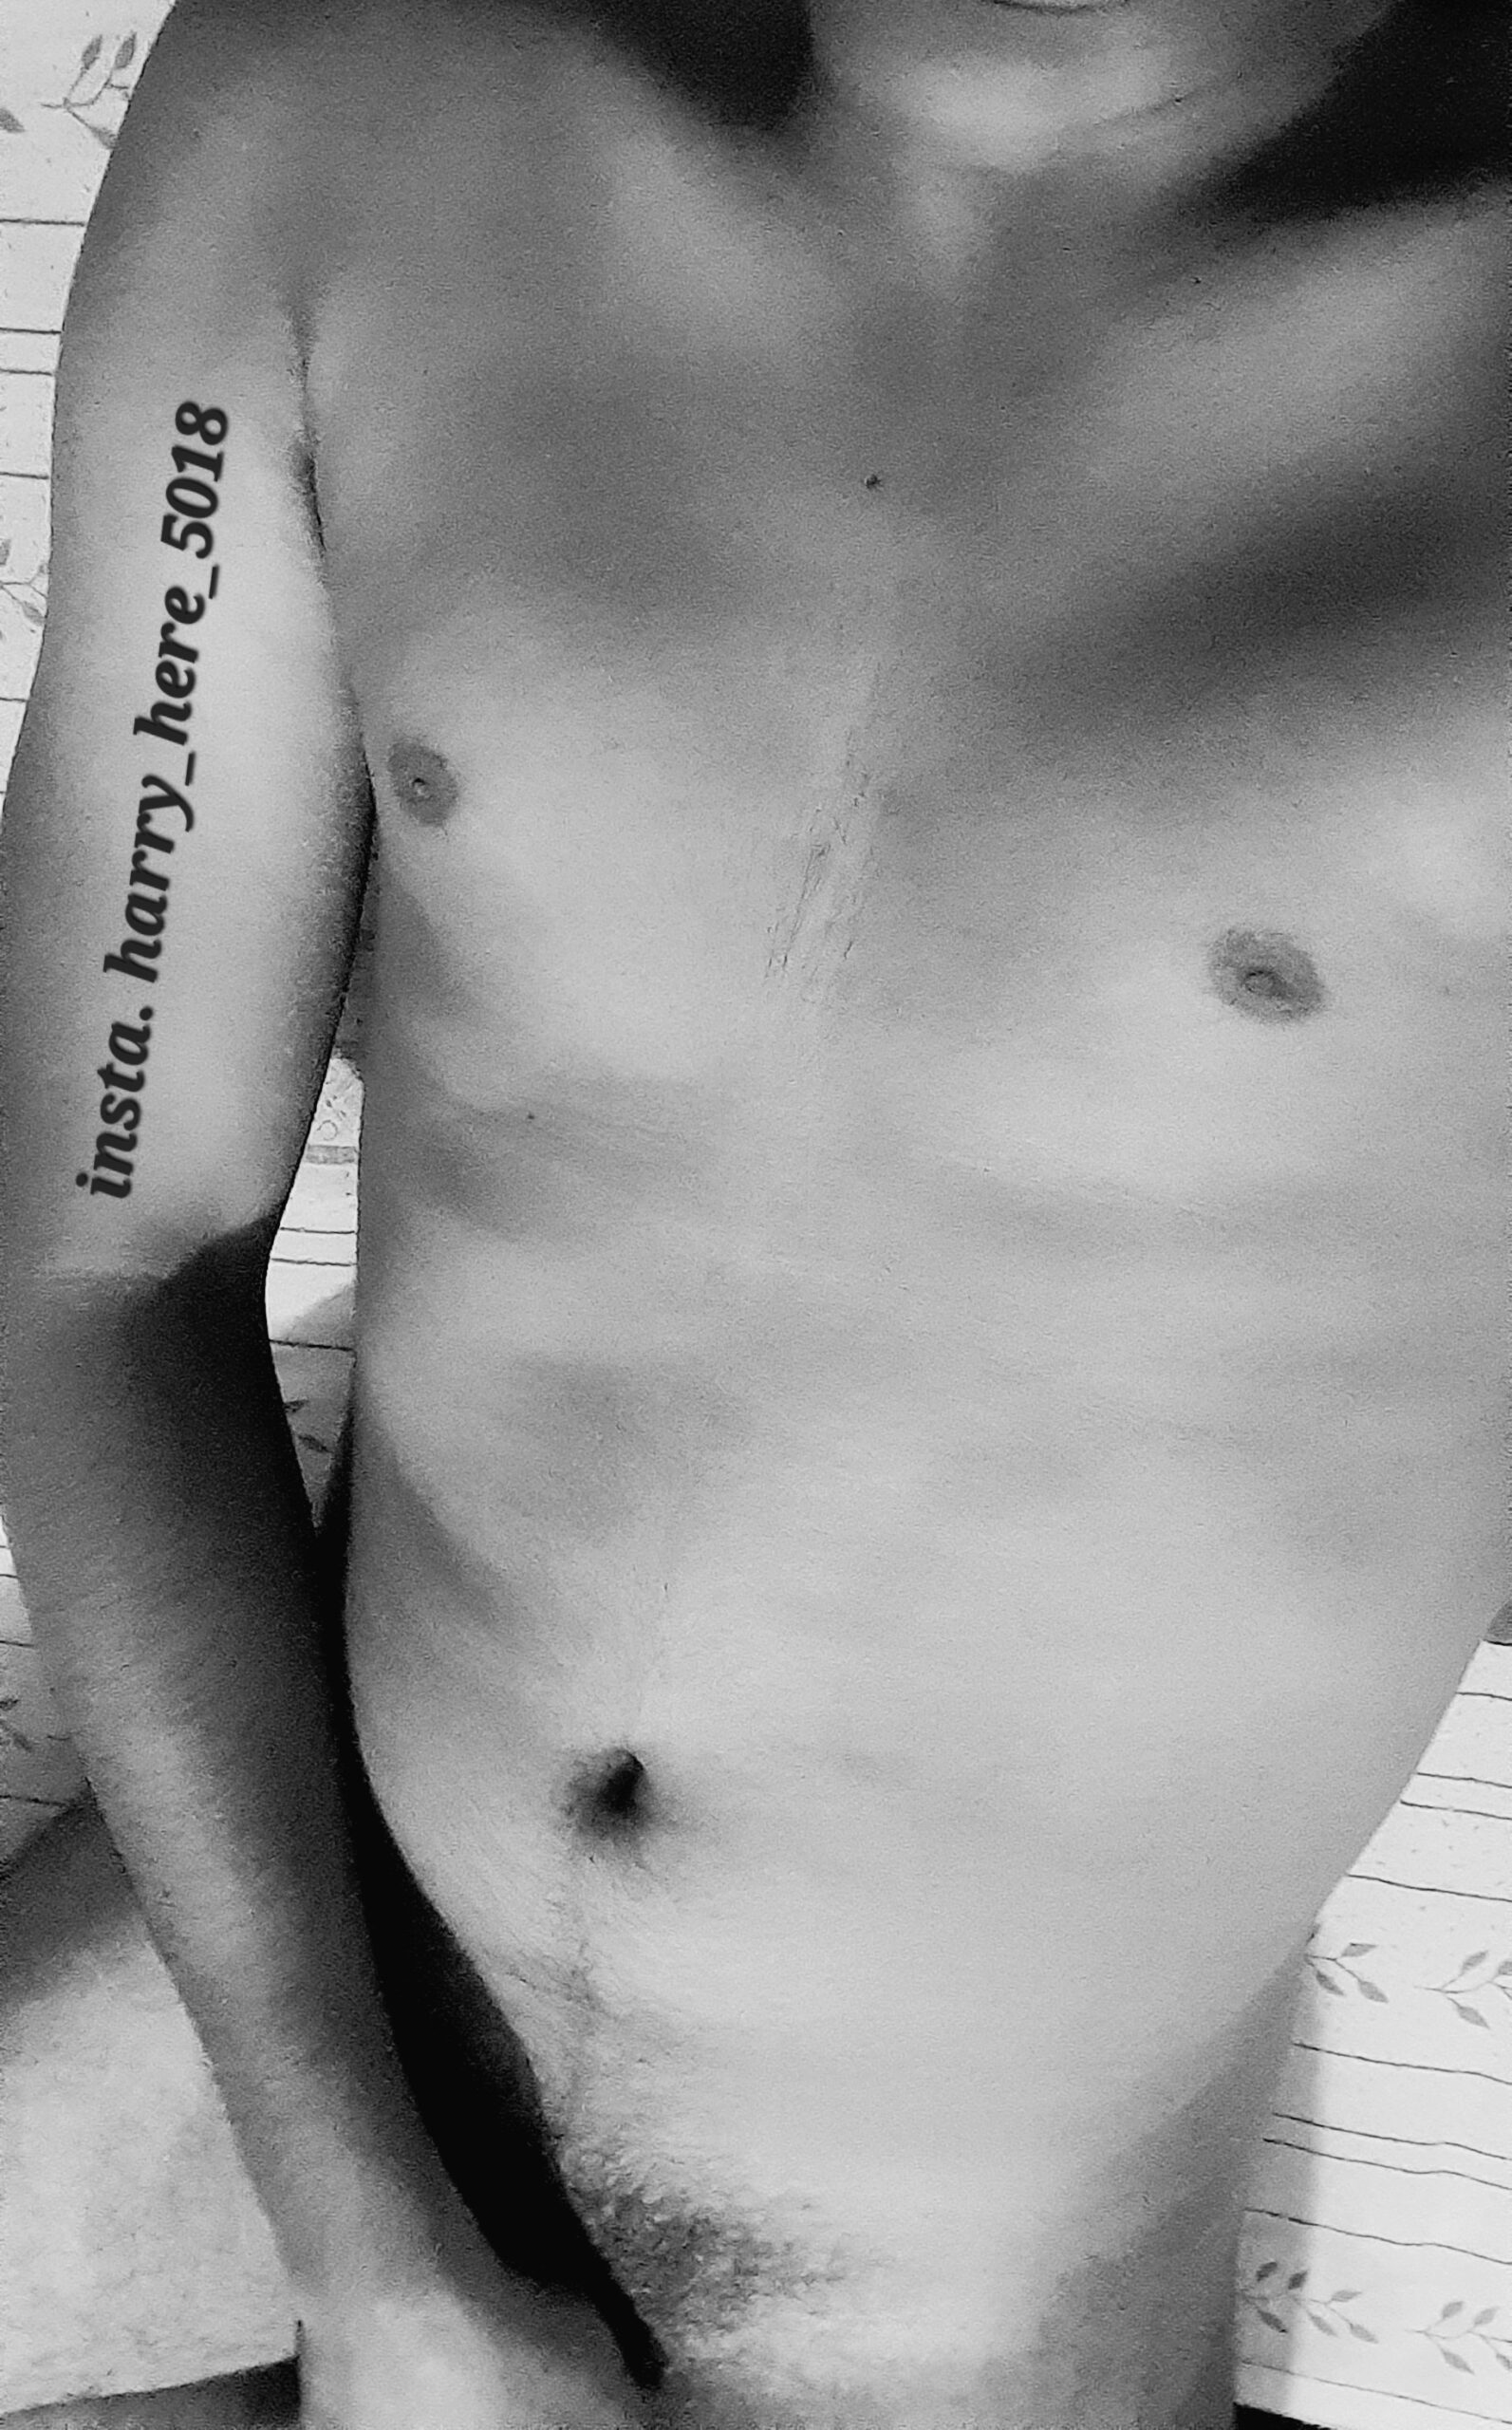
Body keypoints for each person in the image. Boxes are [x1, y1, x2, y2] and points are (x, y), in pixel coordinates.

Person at [0, 0, 1502, 2421]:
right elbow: (103, 1241)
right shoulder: (341, 97)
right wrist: (360, 2232)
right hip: (247, 2036)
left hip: (936, 2294)